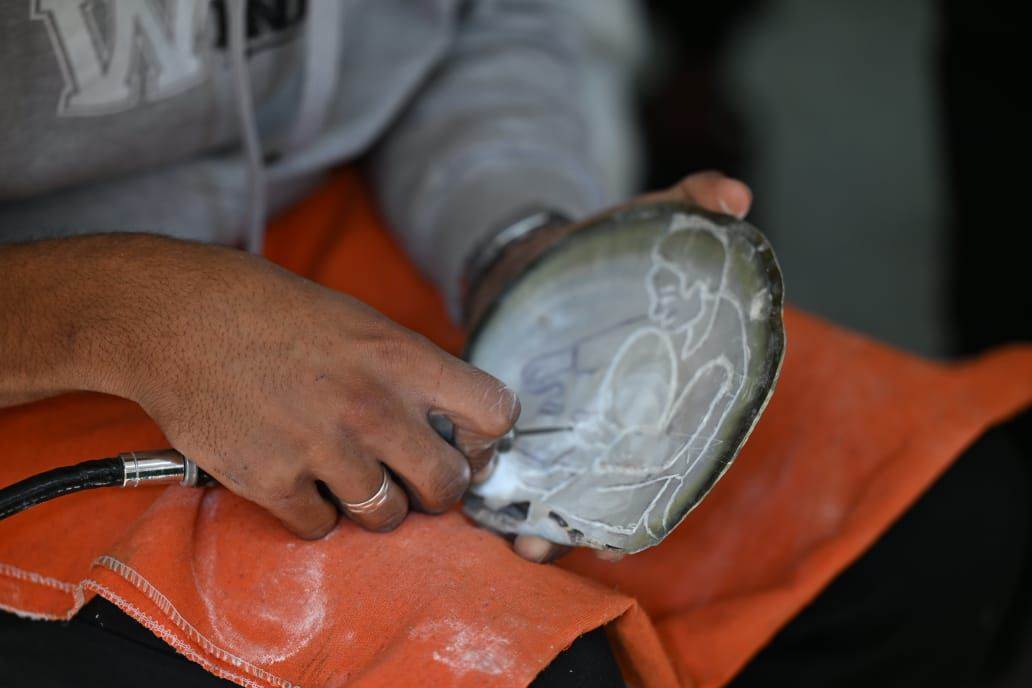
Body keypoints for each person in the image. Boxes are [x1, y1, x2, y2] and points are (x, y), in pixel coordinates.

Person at [0, 2, 752, 684]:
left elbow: (483, 24)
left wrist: (515, 239)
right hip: (48, 332)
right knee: (517, 659)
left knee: (818, 501)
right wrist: (145, 322)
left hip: (353, 207)